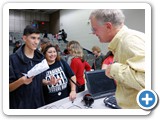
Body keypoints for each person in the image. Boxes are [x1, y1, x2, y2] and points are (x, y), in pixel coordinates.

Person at [89, 9, 145, 109]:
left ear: (108, 26)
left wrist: (113, 69)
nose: (93, 33)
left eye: (94, 29)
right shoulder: (125, 40)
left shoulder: (129, 41)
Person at [9, 25, 45, 109]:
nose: (36, 42)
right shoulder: (12, 59)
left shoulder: (40, 58)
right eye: (33, 38)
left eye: (38, 38)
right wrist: (21, 81)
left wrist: (48, 82)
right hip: (20, 106)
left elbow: (40, 80)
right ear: (24, 38)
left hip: (38, 104)